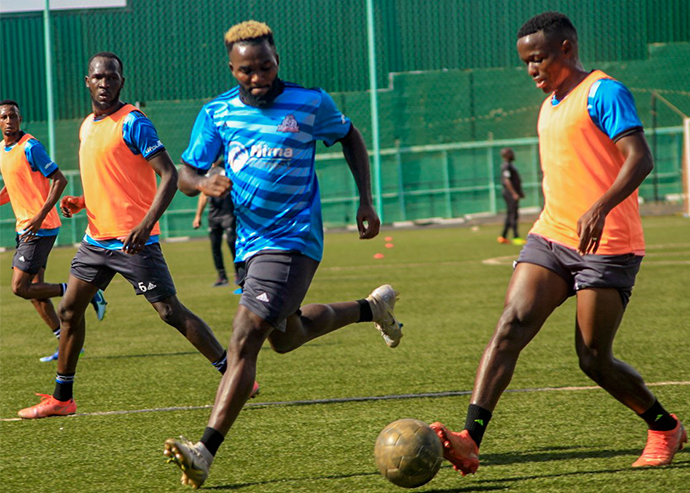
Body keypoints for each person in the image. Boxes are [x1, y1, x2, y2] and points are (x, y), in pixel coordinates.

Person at [431, 11, 686, 476]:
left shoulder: (603, 92)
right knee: (510, 326)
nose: (532, 69)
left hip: (607, 243)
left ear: (566, 49)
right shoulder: (549, 104)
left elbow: (640, 158)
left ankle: (665, 427)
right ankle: (470, 440)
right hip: (551, 236)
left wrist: (600, 207)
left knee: (593, 358)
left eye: (539, 59)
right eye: (526, 62)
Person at [163, 21, 402, 489]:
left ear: (277, 61)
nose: (258, 78)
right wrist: (204, 182)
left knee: (245, 336)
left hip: (294, 240)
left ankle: (203, 451)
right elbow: (185, 173)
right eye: (246, 70)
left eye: (266, 67)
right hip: (249, 245)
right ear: (232, 69)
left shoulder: (310, 102)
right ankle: (371, 308)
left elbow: (350, 135)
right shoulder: (217, 114)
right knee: (288, 337)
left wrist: (366, 200)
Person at [16, 52, 250, 419]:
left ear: (121, 82)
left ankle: (235, 375)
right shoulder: (87, 126)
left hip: (133, 241)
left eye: (112, 77)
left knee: (169, 312)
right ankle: (63, 398)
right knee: (69, 310)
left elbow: (170, 175)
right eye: (98, 77)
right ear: (87, 82)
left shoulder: (133, 122)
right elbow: (110, 177)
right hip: (95, 241)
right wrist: (81, 201)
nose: (105, 83)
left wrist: (145, 225)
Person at [0, 100, 106, 363]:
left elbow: (59, 179)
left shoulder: (31, 147)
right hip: (26, 227)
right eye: (4, 117)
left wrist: (39, 216)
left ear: (20, 119)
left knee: (20, 287)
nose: (9, 120)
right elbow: (13, 186)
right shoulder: (3, 149)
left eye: (13, 116)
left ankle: (82, 291)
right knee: (36, 294)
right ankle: (65, 343)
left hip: (40, 228)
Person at [192, 160, 240, 288]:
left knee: (232, 243)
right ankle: (222, 276)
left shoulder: (229, 166)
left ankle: (239, 274)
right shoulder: (206, 171)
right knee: (215, 247)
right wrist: (198, 216)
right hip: (213, 216)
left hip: (228, 214)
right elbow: (203, 196)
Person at [497, 147, 525, 245]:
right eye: (510, 153)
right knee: (513, 215)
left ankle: (503, 236)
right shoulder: (506, 166)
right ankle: (516, 237)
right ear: (507, 155)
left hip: (510, 193)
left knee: (510, 214)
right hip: (509, 193)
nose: (513, 154)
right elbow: (507, 181)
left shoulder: (510, 165)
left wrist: (520, 192)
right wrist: (514, 193)